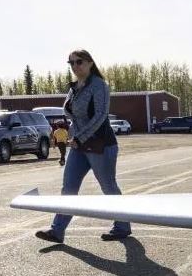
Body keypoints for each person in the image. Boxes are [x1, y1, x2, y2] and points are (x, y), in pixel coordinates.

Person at [35, 49, 131, 244]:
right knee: (68, 187)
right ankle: (57, 231)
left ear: (89, 63)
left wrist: (80, 137)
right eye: (71, 63)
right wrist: (67, 135)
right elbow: (74, 117)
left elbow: (100, 115)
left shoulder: (99, 85)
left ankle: (122, 226)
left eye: (79, 62)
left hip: (101, 144)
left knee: (108, 186)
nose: (75, 66)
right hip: (78, 146)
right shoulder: (74, 87)